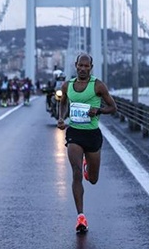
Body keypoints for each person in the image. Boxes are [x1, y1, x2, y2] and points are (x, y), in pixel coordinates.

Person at [56, 53, 117, 233]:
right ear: (75, 65)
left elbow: (113, 107)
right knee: (75, 173)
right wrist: (61, 118)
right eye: (80, 66)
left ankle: (86, 167)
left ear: (91, 67)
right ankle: (80, 217)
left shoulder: (98, 85)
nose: (83, 69)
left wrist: (98, 110)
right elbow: (63, 102)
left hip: (92, 135)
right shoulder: (67, 85)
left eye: (86, 66)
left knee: (93, 179)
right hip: (74, 133)